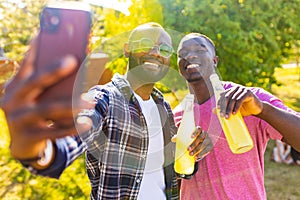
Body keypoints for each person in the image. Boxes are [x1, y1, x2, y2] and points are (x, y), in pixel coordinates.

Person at [1, 23, 212, 199]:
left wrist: (193, 152)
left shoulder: (163, 107)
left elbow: (172, 173)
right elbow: (68, 143)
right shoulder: (104, 99)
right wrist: (33, 146)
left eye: (164, 50)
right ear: (127, 49)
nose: (156, 53)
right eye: (146, 44)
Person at [173, 32, 300, 199]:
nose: (190, 55)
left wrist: (263, 110)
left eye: (200, 49)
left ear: (214, 60)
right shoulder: (177, 114)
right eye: (183, 53)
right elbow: (178, 182)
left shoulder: (247, 99)